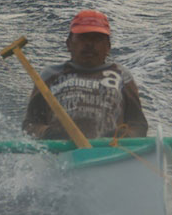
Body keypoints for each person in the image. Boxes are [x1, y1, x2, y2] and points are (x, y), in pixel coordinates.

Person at [22, 10, 149, 140]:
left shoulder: (122, 76)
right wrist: (46, 133)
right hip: (61, 154)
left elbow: (139, 125)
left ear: (108, 47)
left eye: (97, 39)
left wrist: (126, 135)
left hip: (111, 153)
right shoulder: (50, 75)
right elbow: (29, 125)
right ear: (69, 44)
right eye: (83, 38)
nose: (89, 44)